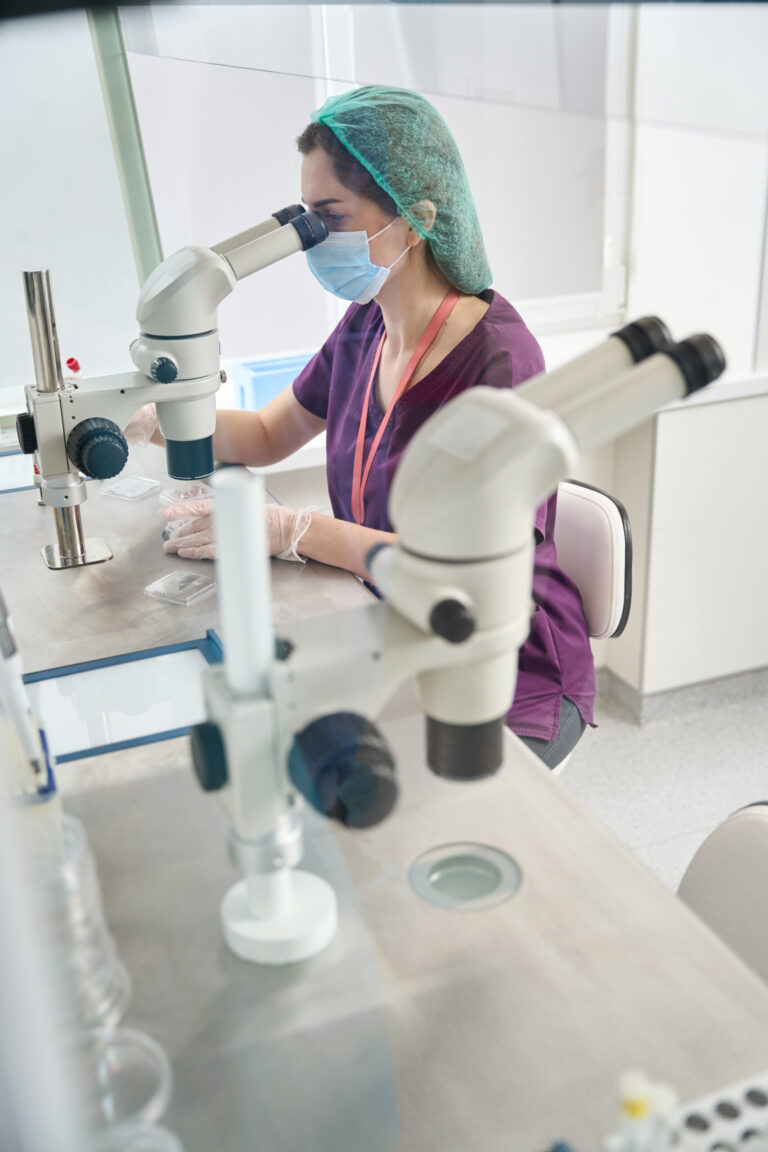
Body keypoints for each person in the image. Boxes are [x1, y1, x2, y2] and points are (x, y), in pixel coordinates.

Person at [130, 85, 595, 769]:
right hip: (390, 629)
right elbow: (264, 434)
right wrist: (159, 420)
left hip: (504, 668)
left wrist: (294, 531)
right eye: (305, 219)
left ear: (414, 218)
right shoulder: (367, 326)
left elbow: (461, 577)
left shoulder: (500, 362)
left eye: (328, 218)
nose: (311, 242)